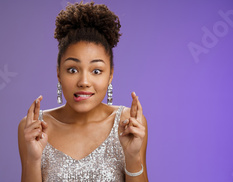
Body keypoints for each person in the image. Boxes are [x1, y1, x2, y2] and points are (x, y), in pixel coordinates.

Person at [18, 2, 148, 181]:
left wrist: (133, 157)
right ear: (58, 73)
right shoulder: (34, 127)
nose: (84, 82)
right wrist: (33, 160)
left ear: (110, 75)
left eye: (96, 71)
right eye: (72, 70)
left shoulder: (128, 124)